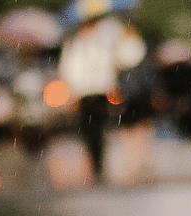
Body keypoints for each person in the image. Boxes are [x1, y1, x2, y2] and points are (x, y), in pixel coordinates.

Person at [59, 10, 145, 180]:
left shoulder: (105, 42)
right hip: (84, 95)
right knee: (89, 131)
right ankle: (96, 163)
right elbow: (67, 70)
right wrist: (70, 92)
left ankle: (102, 163)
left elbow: (128, 58)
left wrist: (128, 39)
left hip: (103, 93)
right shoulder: (74, 44)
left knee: (103, 127)